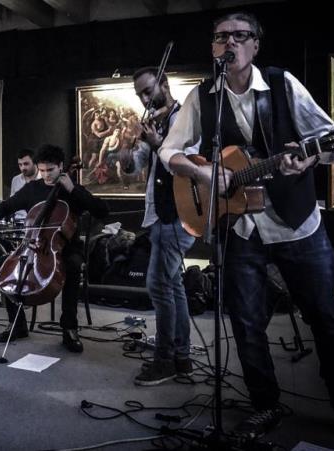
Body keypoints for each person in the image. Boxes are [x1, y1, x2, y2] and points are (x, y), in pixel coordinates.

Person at [159, 12, 334, 447]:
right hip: (242, 229)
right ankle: (265, 403)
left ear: (255, 44)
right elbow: (169, 152)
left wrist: (310, 157)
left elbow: (331, 142)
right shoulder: (202, 97)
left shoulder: (282, 84)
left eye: (241, 36)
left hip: (298, 225)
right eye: (222, 37)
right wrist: (203, 173)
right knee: (246, 323)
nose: (230, 43)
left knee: (325, 318)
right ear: (213, 47)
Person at [0, 144, 109, 353]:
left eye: (51, 170)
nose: (46, 175)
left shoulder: (71, 189)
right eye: (42, 170)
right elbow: (6, 205)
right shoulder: (33, 188)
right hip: (35, 246)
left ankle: (69, 328)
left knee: (73, 266)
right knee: (7, 268)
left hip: (66, 248)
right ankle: (17, 325)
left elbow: (102, 210)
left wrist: (73, 189)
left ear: (61, 166)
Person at [117, 66, 197, 386]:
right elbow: (135, 165)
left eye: (148, 91)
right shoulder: (155, 122)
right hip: (159, 214)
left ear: (164, 83)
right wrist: (126, 155)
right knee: (172, 286)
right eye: (140, 94)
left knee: (159, 287)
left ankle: (165, 359)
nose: (144, 99)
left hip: (178, 213)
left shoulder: (184, 118)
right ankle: (182, 356)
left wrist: (158, 143)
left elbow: (187, 165)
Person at [9, 148, 38, 221]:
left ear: (34, 162)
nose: (23, 168)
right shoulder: (15, 180)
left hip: (37, 220)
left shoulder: (44, 178)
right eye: (20, 164)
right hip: (18, 221)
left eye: (26, 164)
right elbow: (12, 203)